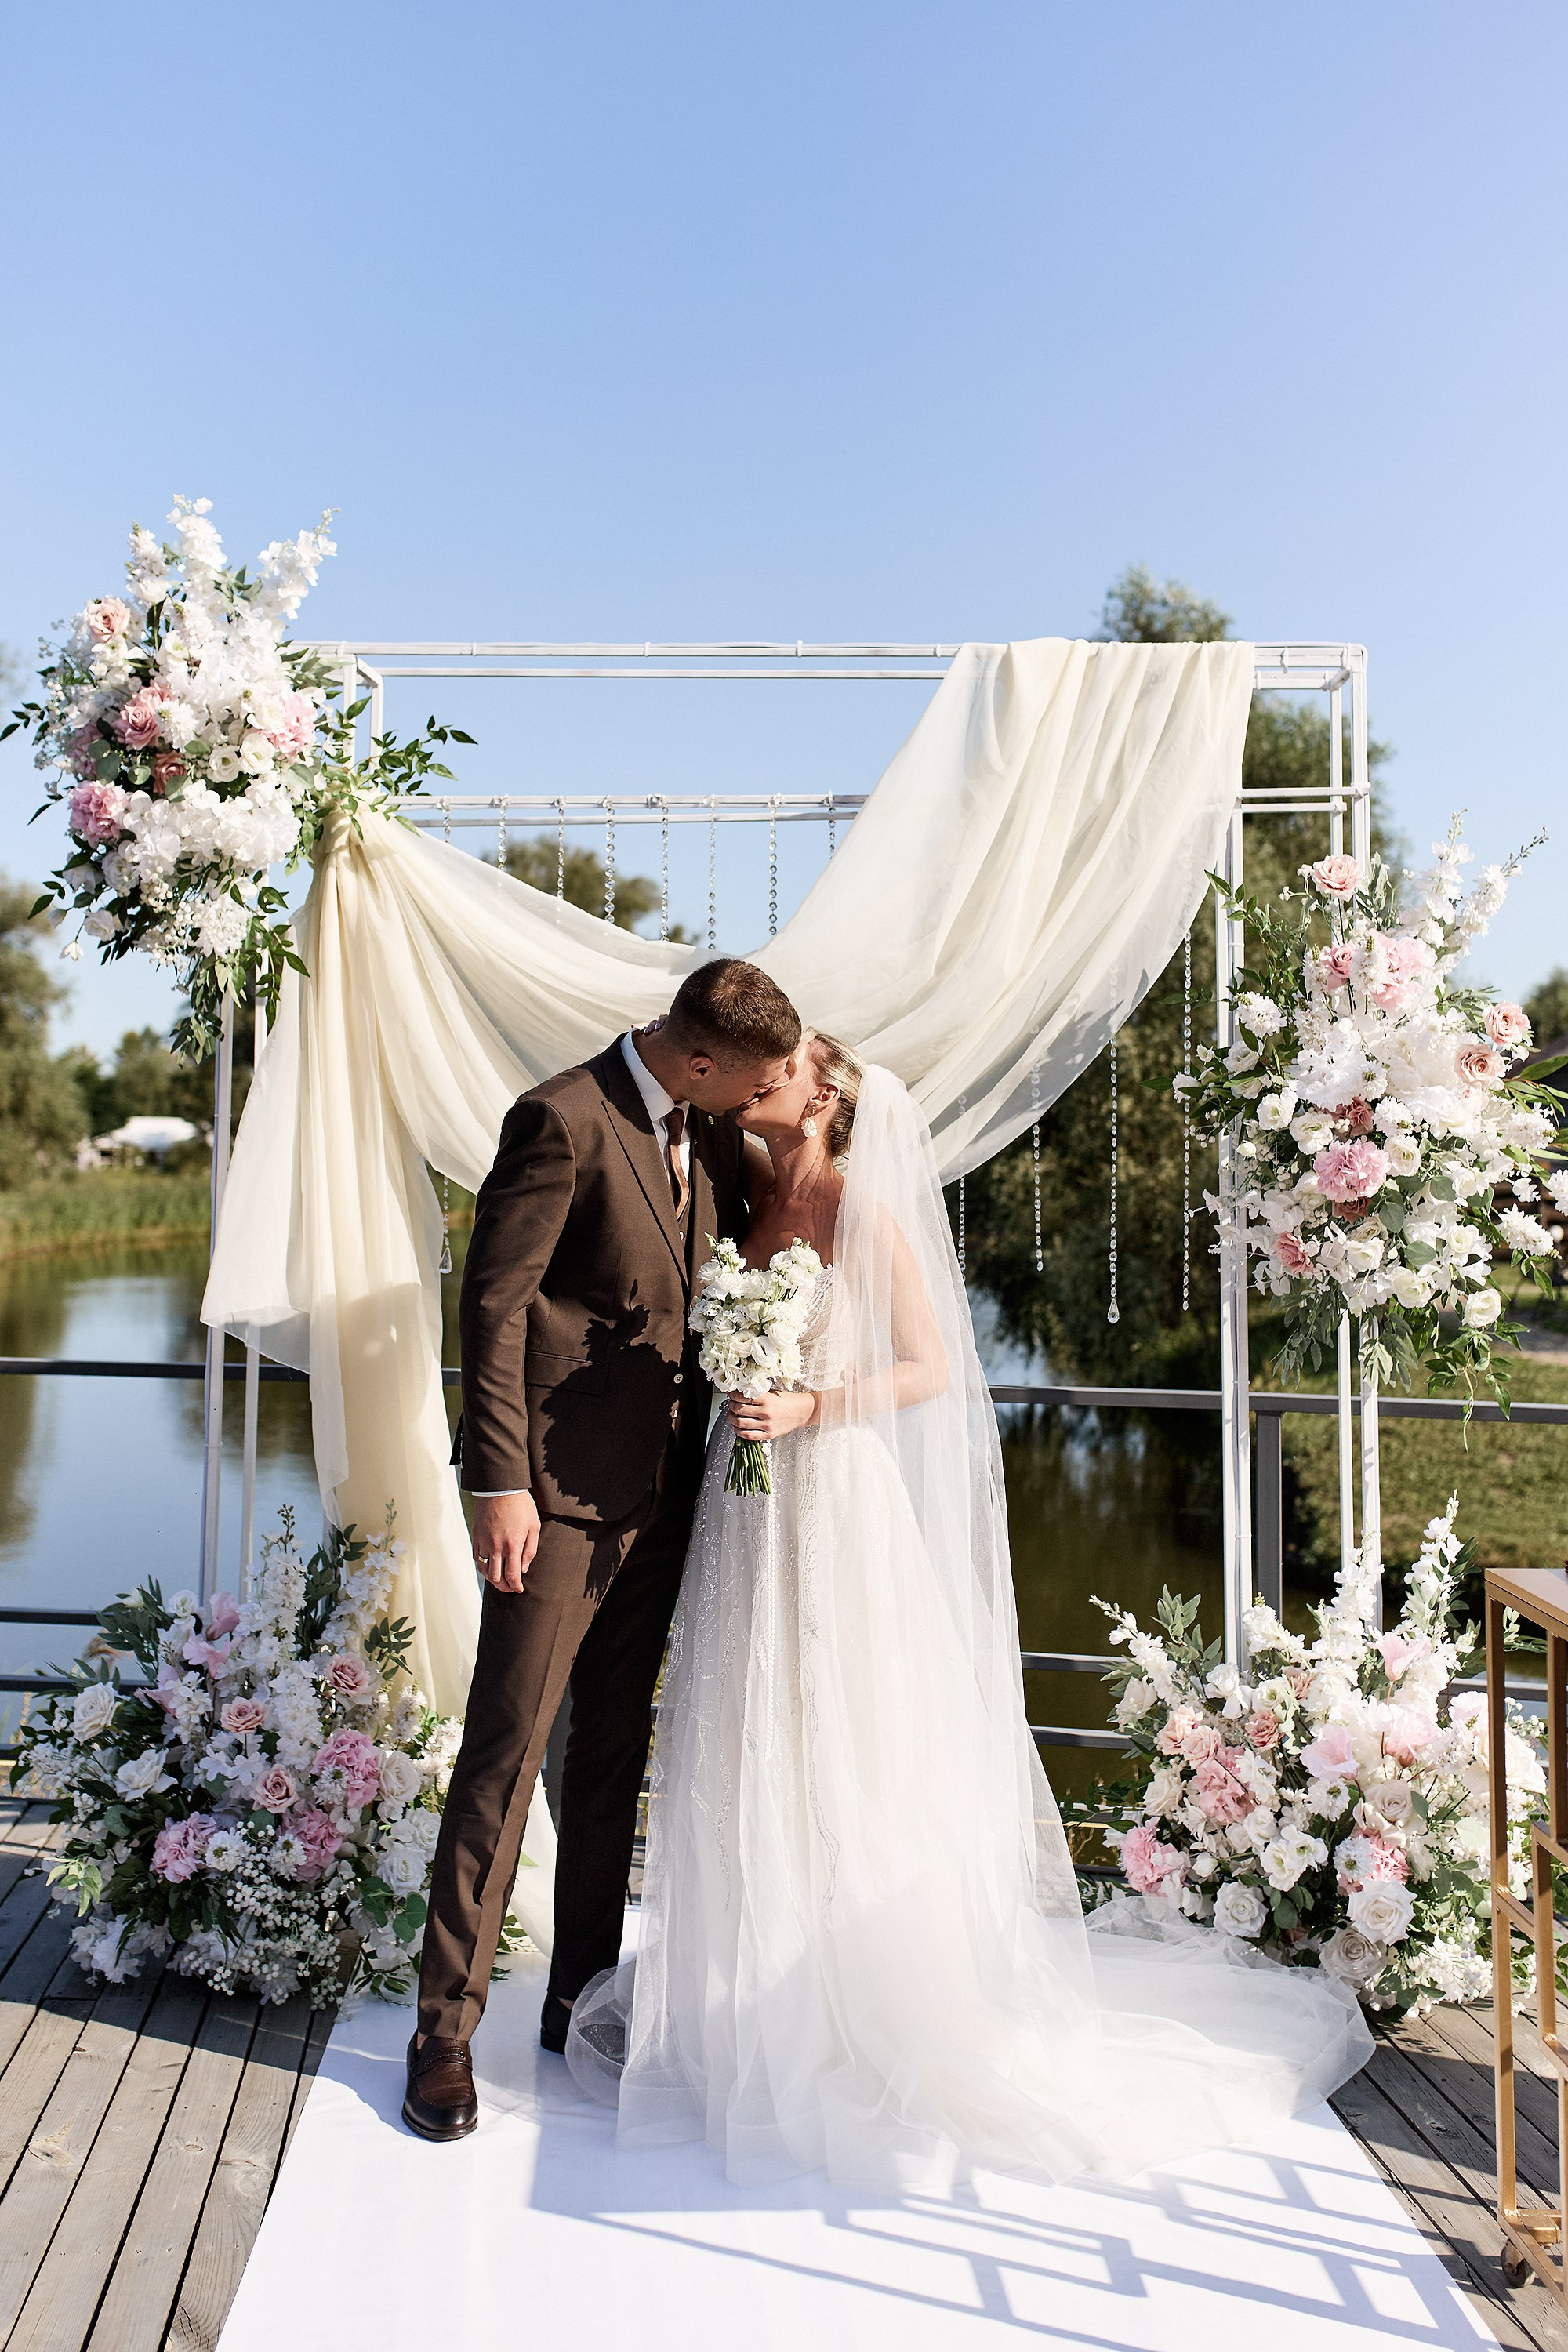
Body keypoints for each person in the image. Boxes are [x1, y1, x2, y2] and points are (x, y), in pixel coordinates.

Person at [567, 1036, 1374, 2190]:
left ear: (827, 1094)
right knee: (752, 1724)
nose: (755, 1085)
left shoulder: (855, 1206)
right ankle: (741, 1996)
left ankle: (850, 2002)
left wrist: (808, 1407)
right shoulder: (746, 1186)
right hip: (746, 1506)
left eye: (779, 1070)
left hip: (830, 1489)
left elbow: (929, 1367)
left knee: (843, 1736)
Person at [404, 958, 801, 2141]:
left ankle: (575, 1994)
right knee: (508, 1751)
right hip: (556, 1501)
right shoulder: (559, 1119)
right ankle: (444, 2031)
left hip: (670, 1497)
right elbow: (496, 1305)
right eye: (753, 1079)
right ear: (695, 1061)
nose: (762, 1096)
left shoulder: (715, 1137)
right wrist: (500, 1480)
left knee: (613, 1752)